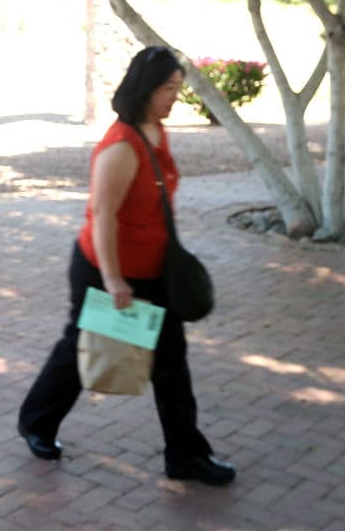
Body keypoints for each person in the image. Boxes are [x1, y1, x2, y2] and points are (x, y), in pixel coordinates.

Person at [16, 46, 235, 486]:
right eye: (169, 89)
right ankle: (36, 423)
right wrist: (114, 280)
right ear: (146, 89)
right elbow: (104, 218)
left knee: (171, 362)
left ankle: (186, 456)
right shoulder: (120, 146)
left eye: (178, 88)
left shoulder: (156, 129)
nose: (176, 97)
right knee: (80, 351)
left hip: (154, 271)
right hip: (106, 270)